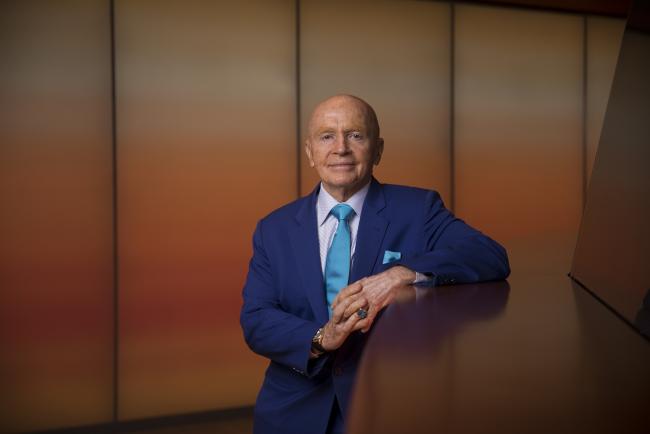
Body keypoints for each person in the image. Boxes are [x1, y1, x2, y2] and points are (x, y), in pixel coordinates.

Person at [240, 94, 510, 434]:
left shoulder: (418, 209)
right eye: (326, 136)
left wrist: (405, 274)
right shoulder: (273, 229)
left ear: (378, 149)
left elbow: (489, 254)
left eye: (355, 135)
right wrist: (323, 337)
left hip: (391, 404)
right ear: (310, 152)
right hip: (293, 411)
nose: (341, 148)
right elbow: (256, 320)